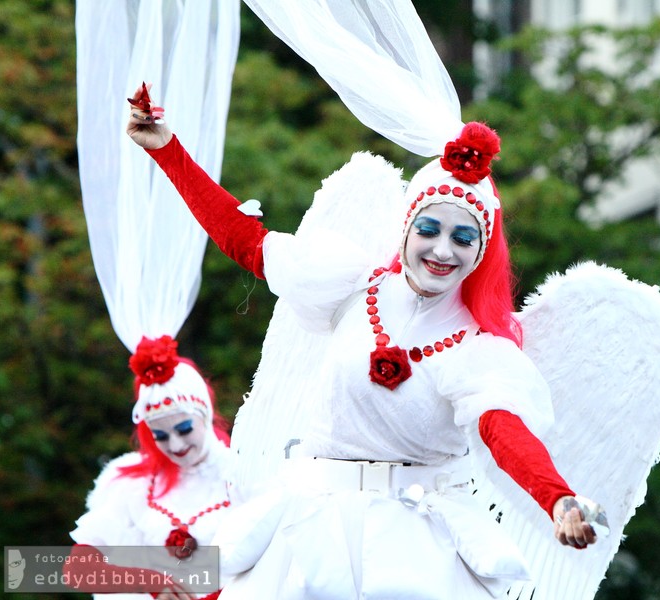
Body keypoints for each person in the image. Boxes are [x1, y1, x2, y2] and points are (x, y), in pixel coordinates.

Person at [126, 85, 602, 599]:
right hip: (309, 528)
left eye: (464, 238)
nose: (443, 250)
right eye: (429, 229)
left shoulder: (477, 351)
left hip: (414, 550)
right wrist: (166, 150)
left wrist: (556, 498)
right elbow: (245, 240)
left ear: (481, 251)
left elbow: (505, 432)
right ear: (406, 229)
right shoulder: (352, 287)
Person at [67, 335, 232, 600]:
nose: (176, 445)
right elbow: (78, 570)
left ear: (206, 415)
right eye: (161, 436)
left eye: (184, 429)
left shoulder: (245, 475)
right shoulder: (132, 485)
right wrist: (153, 582)